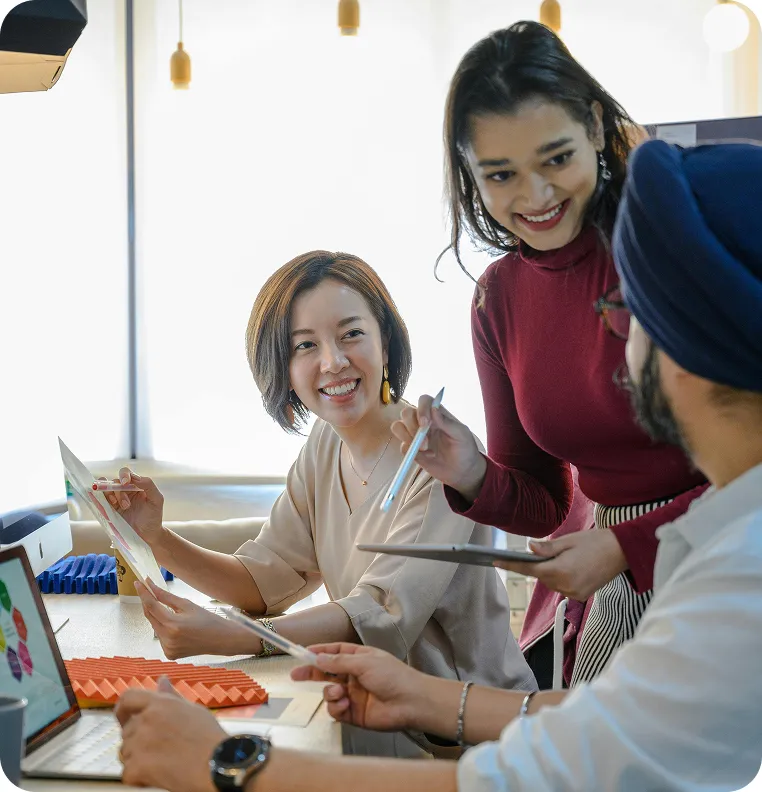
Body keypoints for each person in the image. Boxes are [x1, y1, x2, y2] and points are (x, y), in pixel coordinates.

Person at [115, 140, 762, 792]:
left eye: (627, 310)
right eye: (305, 346)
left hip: (454, 749)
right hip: (410, 724)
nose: (612, 338)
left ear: (695, 340)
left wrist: (231, 761)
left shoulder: (734, 569)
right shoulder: (721, 545)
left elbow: (546, 766)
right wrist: (160, 538)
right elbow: (611, 725)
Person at [106, 250, 535, 757]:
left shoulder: (435, 454)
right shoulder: (322, 447)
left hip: (477, 736)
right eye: (305, 345)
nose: (332, 361)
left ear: (386, 341)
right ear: (282, 368)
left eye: (351, 334)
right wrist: (155, 536)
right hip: (380, 719)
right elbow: (263, 584)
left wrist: (233, 637)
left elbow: (380, 612)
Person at [391, 20, 707, 687]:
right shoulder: (497, 298)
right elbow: (540, 499)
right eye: (501, 175)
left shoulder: (671, 243)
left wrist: (625, 546)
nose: (534, 198)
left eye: (556, 159)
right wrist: (471, 469)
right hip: (612, 576)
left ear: (596, 128)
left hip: (722, 554)